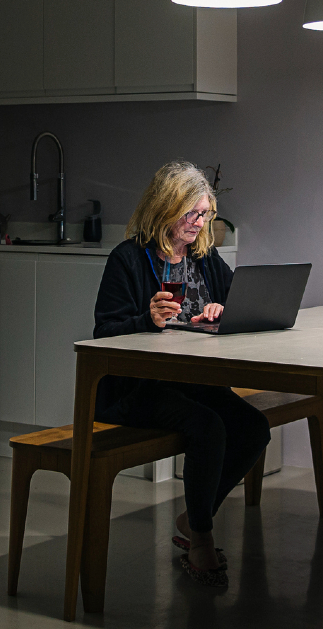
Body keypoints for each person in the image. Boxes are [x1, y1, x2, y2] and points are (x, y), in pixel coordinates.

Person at [92, 161, 270, 587]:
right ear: (164, 207)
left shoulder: (205, 260)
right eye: (191, 213)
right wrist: (145, 320)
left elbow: (237, 306)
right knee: (207, 427)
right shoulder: (128, 259)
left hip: (193, 380)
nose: (198, 223)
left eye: (204, 214)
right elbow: (104, 332)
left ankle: (194, 516)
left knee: (253, 427)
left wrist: (221, 312)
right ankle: (202, 539)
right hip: (138, 388)